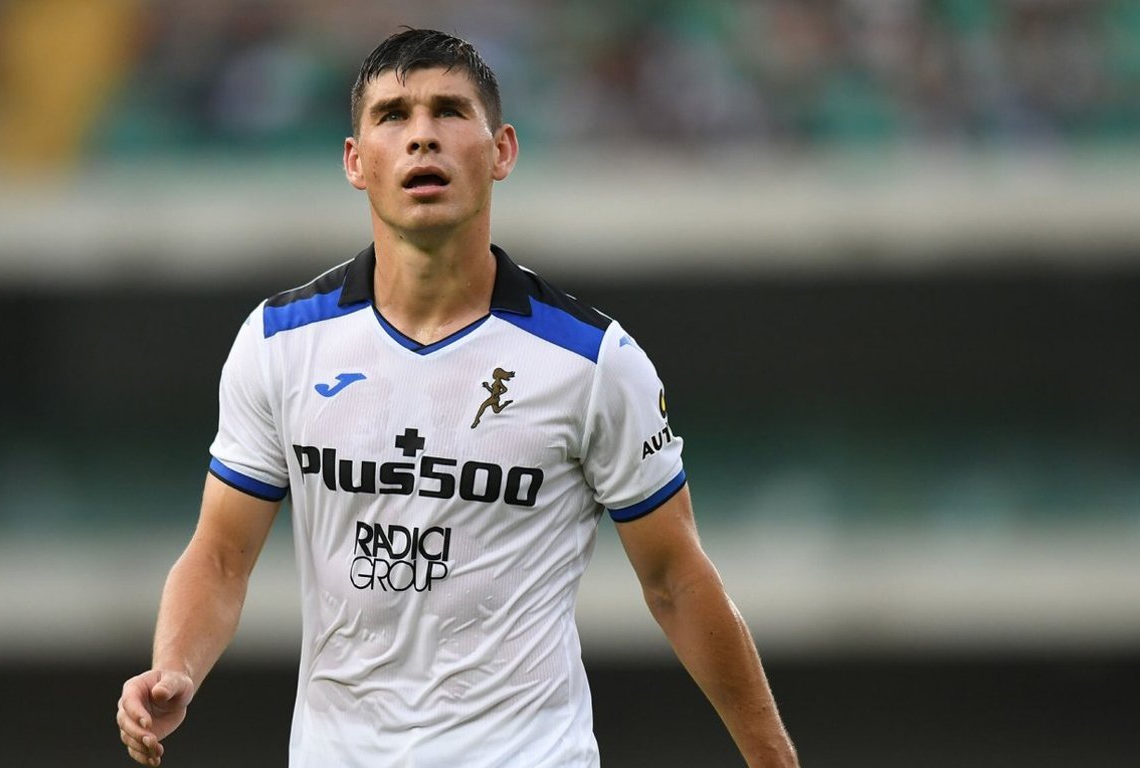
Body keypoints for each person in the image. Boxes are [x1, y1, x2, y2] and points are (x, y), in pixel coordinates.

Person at [117, 28, 797, 767]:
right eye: (392, 116)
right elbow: (221, 555)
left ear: (501, 150)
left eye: (448, 111)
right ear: (355, 161)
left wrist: (773, 758)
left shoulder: (594, 361)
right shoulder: (280, 342)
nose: (422, 137)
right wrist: (175, 665)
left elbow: (676, 580)